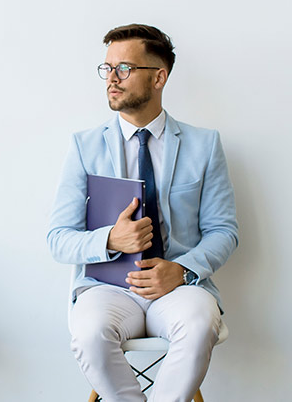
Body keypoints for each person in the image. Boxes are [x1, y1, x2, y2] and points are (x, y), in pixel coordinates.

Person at [46, 23, 239, 402]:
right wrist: (110, 239)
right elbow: (58, 240)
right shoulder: (83, 147)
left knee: (201, 324)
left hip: (179, 286)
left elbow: (223, 230)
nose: (111, 79)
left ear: (159, 77)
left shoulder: (204, 145)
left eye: (124, 69)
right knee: (88, 333)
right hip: (108, 289)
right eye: (107, 68)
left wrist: (181, 270)